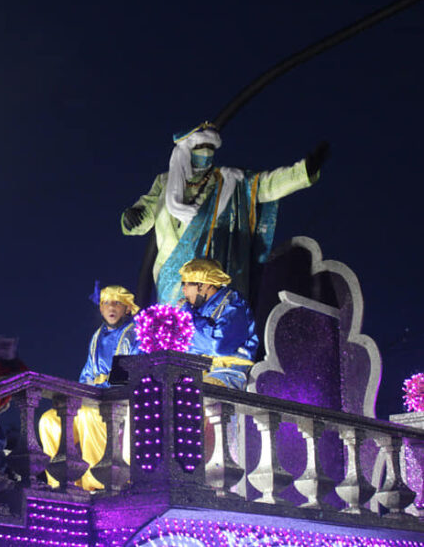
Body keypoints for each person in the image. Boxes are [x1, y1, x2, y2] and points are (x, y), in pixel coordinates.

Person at [121, 121, 329, 305]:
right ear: (184, 151)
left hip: (213, 272)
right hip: (173, 275)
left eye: (211, 147)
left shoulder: (228, 181)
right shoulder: (165, 183)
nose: (206, 153)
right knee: (174, 334)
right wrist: (131, 219)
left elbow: (266, 186)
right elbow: (142, 218)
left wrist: (302, 172)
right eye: (201, 147)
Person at [38, 284, 141, 491]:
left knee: (89, 414)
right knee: (49, 420)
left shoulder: (135, 333)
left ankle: (97, 482)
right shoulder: (97, 336)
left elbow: (128, 374)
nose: (110, 307)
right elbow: (86, 374)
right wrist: (80, 392)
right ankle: (58, 482)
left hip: (120, 397)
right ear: (101, 309)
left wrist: (97, 390)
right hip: (93, 395)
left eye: (117, 303)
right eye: (105, 303)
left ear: (127, 308)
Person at [177, 258, 258, 390]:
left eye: (187, 284)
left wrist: (187, 316)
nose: (184, 290)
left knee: (198, 396)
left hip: (228, 373)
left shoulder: (234, 304)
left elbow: (218, 346)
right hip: (198, 372)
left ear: (205, 285)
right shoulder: (196, 310)